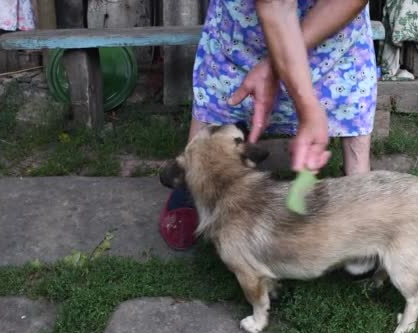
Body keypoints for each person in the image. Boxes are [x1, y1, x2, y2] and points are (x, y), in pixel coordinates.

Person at [159, 0, 377, 250]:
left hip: (334, 35)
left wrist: (274, 66)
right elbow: (277, 4)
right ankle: (195, 177)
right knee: (222, 95)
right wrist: (308, 107)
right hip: (244, 26)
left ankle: (361, 188)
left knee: (348, 96)